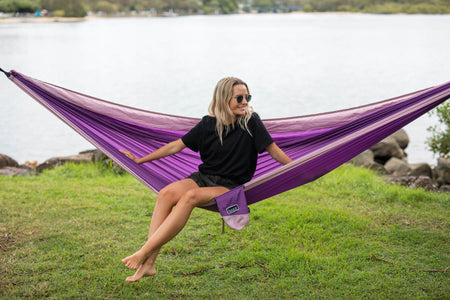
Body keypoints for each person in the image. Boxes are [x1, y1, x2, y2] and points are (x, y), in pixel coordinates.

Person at [119, 77, 292, 282]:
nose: (245, 101)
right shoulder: (208, 124)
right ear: (224, 99)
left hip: (229, 185)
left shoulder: (251, 122)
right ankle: (149, 264)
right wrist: (141, 160)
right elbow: (176, 146)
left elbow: (274, 151)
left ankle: (142, 253)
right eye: (239, 98)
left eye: (247, 97)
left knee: (190, 197)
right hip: (203, 177)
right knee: (166, 193)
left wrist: (298, 168)